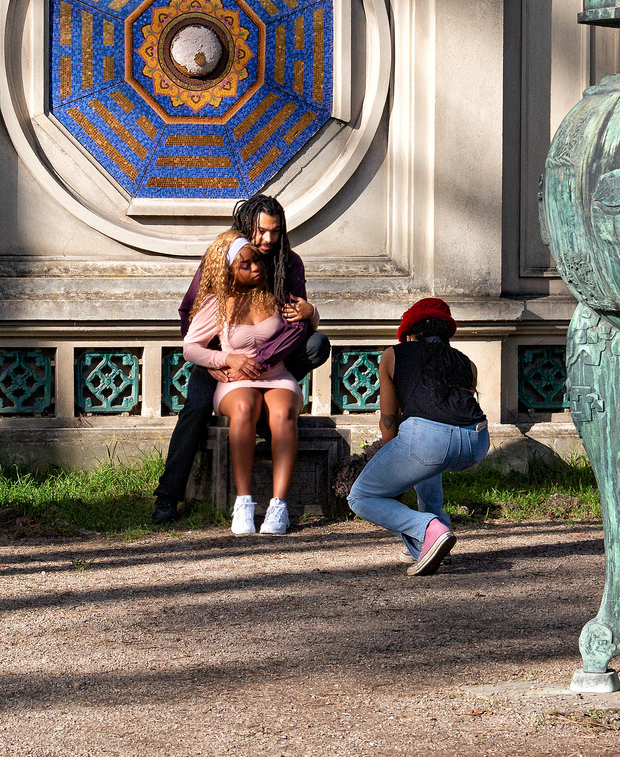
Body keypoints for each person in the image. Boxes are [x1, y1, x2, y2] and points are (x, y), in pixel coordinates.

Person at [152, 194, 329, 523]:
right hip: (223, 353)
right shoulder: (222, 258)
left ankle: (269, 415)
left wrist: (311, 313)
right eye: (261, 230)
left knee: (317, 344)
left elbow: (298, 325)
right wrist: (219, 359)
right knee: (196, 407)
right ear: (247, 226)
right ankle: (168, 496)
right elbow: (191, 314)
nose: (268, 239)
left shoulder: (288, 263)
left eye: (275, 231)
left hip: (274, 355)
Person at [347, 298, 490, 575]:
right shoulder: (466, 363)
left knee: (361, 497)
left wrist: (395, 469)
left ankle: (428, 530)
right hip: (476, 441)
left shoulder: (393, 355)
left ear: (409, 334)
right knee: (425, 460)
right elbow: (450, 413)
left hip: (428, 441)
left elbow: (389, 423)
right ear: (446, 333)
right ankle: (428, 544)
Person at [182, 231, 306, 535]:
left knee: (282, 414)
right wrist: (226, 360)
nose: (256, 269)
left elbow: (302, 326)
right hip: (235, 380)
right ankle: (244, 501)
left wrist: (312, 312)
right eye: (246, 265)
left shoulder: (274, 293)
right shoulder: (217, 303)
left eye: (256, 262)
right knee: (243, 408)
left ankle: (279, 505)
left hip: (275, 375)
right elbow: (190, 347)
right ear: (228, 271)